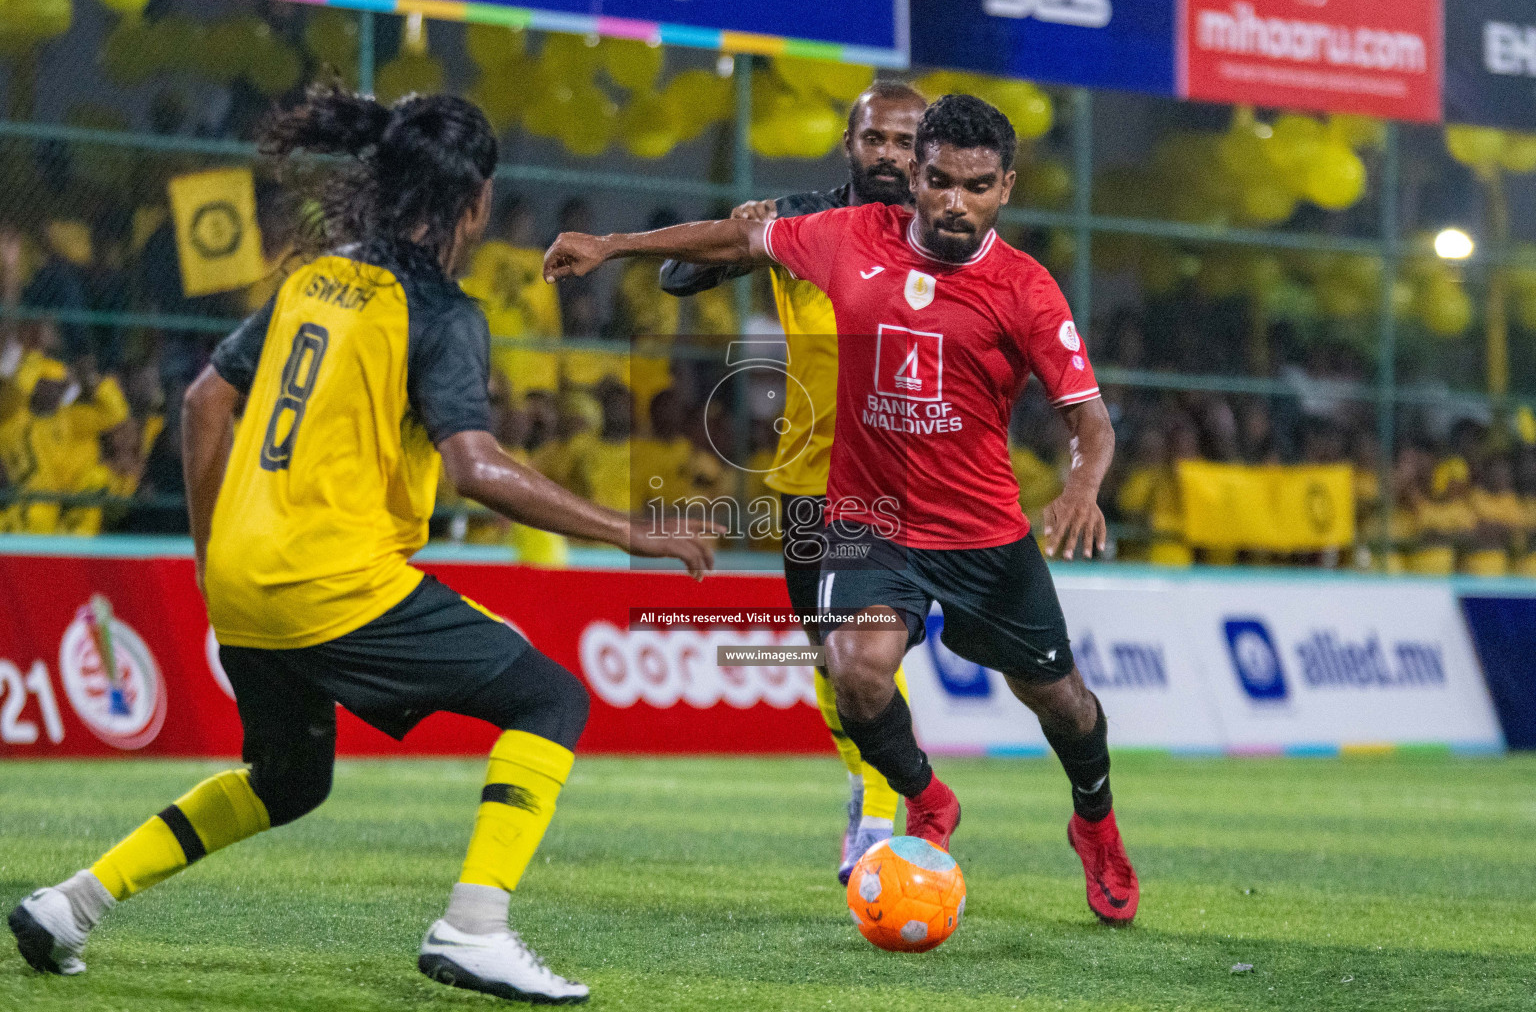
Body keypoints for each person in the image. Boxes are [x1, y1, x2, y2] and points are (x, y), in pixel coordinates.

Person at [8, 84, 712, 1004]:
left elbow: (202, 403)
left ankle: (71, 903)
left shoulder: (315, 279)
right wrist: (633, 530)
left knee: (287, 778)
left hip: (242, 577)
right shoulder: (443, 313)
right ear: (480, 198)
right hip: (334, 581)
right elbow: (478, 470)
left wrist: (214, 551)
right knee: (550, 699)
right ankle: (476, 925)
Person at [544, 93, 1140, 925]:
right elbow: (733, 239)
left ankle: (1096, 824)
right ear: (917, 177)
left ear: (1005, 187)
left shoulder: (1026, 290)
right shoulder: (849, 238)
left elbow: (1090, 419)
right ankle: (924, 797)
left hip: (980, 533)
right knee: (853, 675)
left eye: (975, 187)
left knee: (1064, 703)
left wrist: (1080, 487)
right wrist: (611, 245)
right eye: (938, 181)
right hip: (868, 522)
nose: (953, 203)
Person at [657, 80, 928, 883]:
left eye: (907, 143)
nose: (890, 155)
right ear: (850, 144)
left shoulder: (942, 238)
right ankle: (864, 783)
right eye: (875, 139)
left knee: (869, 653)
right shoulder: (796, 223)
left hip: (897, 486)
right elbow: (676, 277)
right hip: (807, 481)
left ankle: (885, 814)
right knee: (829, 659)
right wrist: (742, 229)